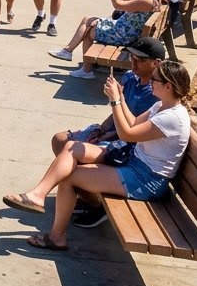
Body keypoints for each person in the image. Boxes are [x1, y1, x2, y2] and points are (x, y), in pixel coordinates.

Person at [3, 60, 191, 252]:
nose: (150, 81)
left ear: (168, 86)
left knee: (68, 177)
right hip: (135, 162)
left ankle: (56, 237)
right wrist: (122, 99)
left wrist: (115, 101)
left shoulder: (172, 118)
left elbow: (127, 134)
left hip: (146, 179)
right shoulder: (161, 105)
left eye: (154, 79)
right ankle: (37, 194)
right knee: (72, 147)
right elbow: (134, 123)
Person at [48, 37, 163, 228]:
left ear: (156, 63)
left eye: (140, 60)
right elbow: (115, 112)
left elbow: (132, 130)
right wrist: (101, 129)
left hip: (125, 145)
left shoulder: (155, 94)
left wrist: (107, 135)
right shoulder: (130, 78)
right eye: (132, 57)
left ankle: (95, 204)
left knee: (71, 163)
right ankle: (85, 196)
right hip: (113, 134)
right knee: (60, 141)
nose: (133, 63)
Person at [48, 0, 168, 78]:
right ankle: (68, 52)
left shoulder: (146, 1)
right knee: (88, 20)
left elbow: (118, 5)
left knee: (89, 31)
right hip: (124, 30)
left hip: (123, 35)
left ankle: (85, 69)